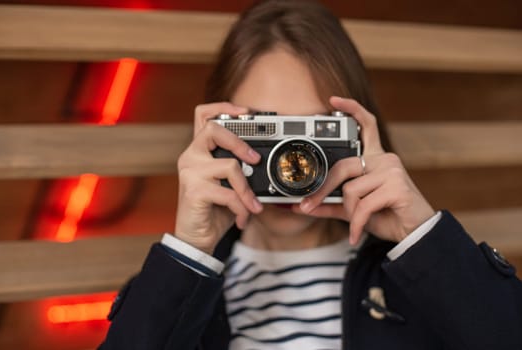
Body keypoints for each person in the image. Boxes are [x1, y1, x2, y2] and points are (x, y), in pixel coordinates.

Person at [99, 1, 522, 349]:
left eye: (314, 132)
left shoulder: (416, 277)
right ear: (216, 134)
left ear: (357, 133)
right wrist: (190, 253)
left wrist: (421, 238)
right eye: (264, 131)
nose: (291, 163)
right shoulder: (183, 286)